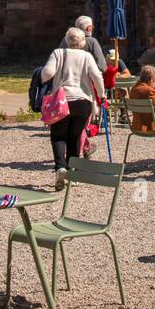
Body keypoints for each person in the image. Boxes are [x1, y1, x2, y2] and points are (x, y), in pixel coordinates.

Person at [41, 27, 105, 189]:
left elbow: (47, 73)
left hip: (62, 100)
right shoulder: (87, 56)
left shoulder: (58, 53)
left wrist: (42, 78)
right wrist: (102, 94)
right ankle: (72, 173)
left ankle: (60, 167)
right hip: (83, 101)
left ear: (66, 40)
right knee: (75, 136)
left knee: (58, 136)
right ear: (83, 42)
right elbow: (97, 76)